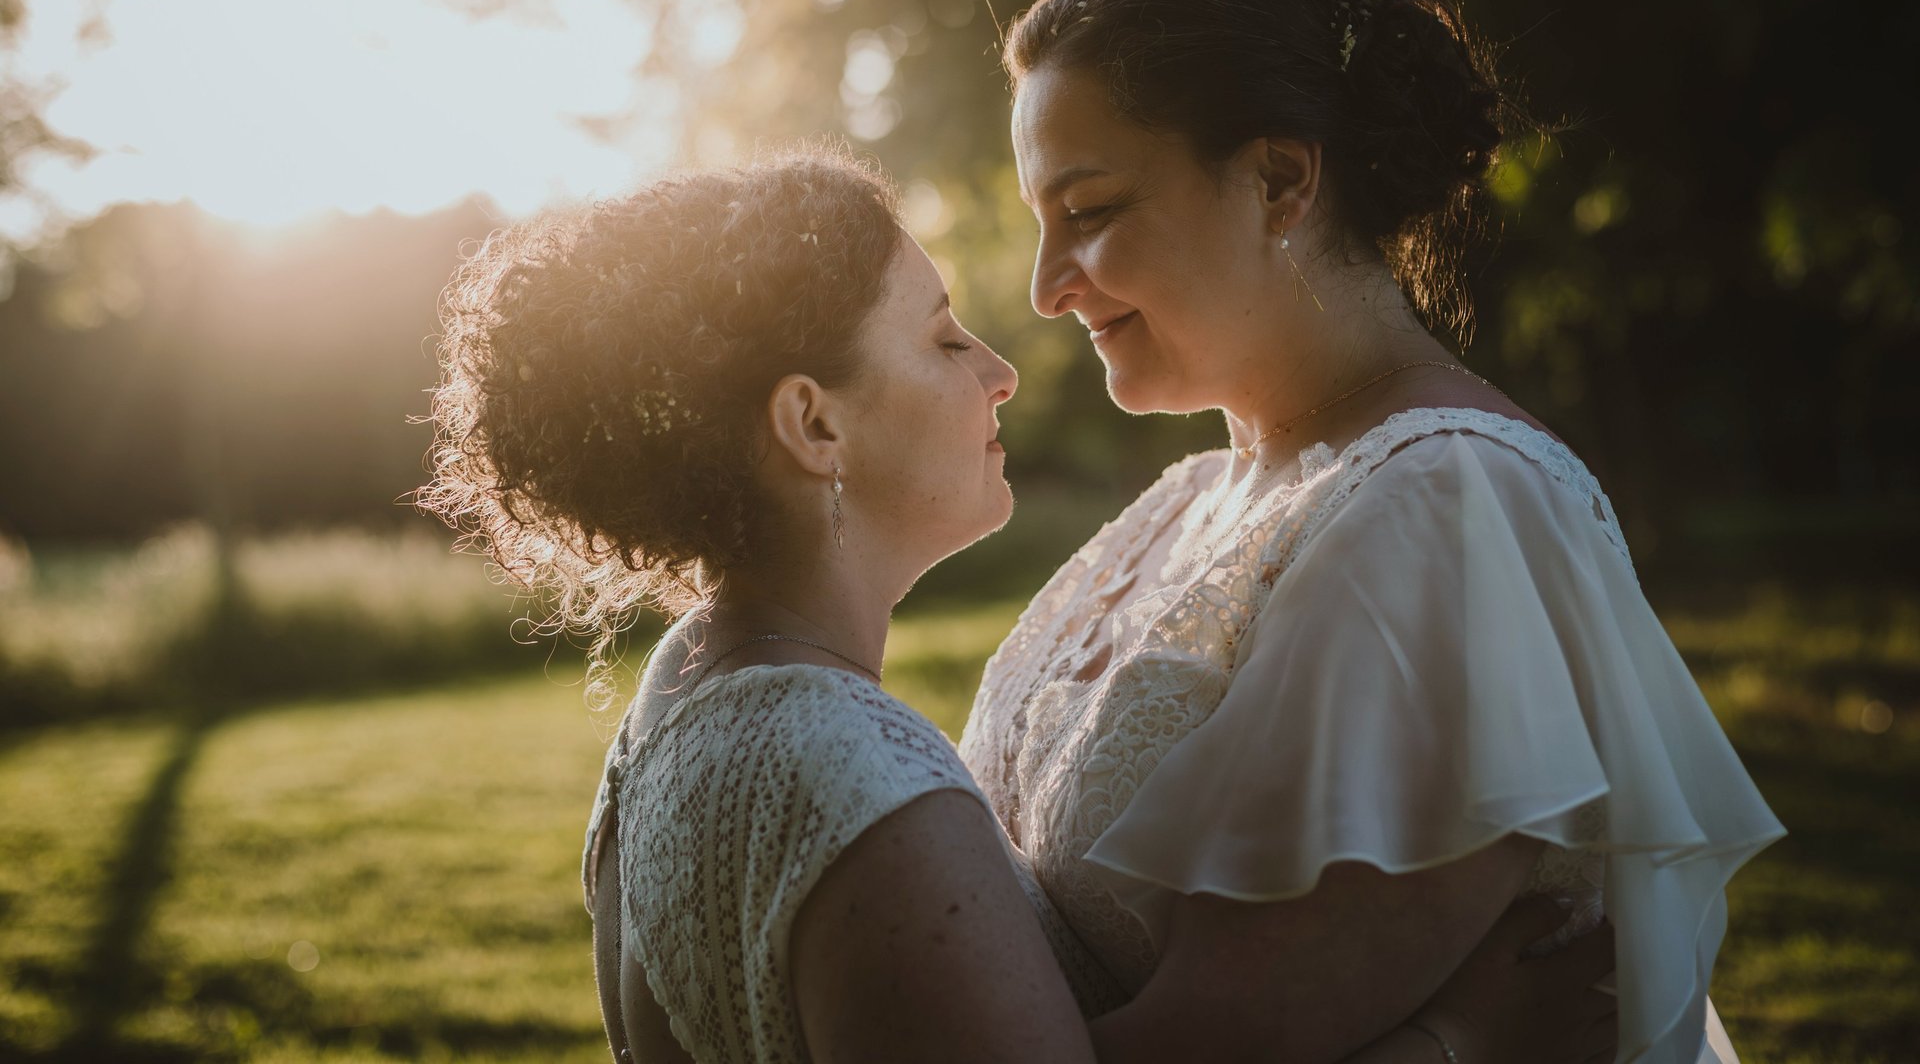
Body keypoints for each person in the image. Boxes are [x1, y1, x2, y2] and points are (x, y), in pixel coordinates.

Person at [421, 147, 1619, 1063]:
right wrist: (1458, 1034)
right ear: (814, 423)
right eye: (943, 339)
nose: (999, 368)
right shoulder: (857, 780)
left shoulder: (682, 687)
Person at [956, 0, 1786, 1064]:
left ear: (1280, 178)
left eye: (1089, 211)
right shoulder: (1191, 496)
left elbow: (1219, 1045)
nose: (1048, 287)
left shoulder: (1454, 509)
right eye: (1040, 223)